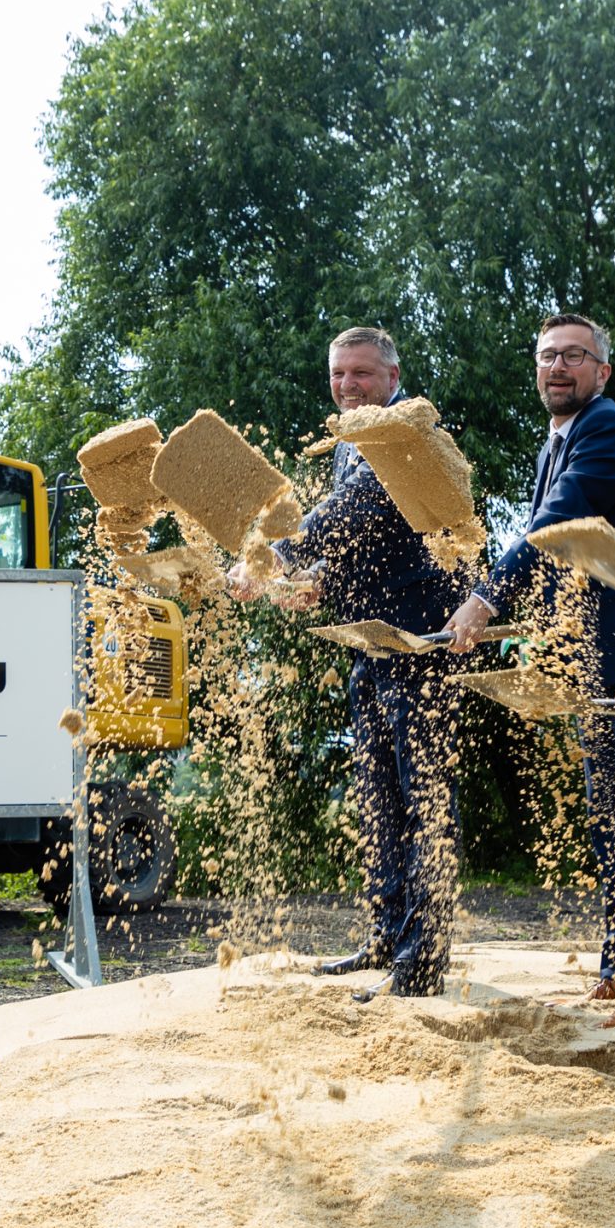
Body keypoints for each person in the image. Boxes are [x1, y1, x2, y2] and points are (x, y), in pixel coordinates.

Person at [444, 313, 615, 1028]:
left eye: (575, 357)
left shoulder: (609, 430)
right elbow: (561, 557)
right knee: (608, 817)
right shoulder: (554, 442)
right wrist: (536, 636)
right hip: (596, 644)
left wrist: (485, 598)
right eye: (547, 356)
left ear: (602, 372)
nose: (558, 367)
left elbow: (552, 527)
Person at [230, 326, 461, 997]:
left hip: (421, 636)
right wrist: (317, 582)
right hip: (369, 639)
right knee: (378, 797)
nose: (348, 385)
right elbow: (359, 539)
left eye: (361, 373)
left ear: (393, 377)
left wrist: (274, 556)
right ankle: (386, 935)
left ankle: (422, 960)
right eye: (338, 374)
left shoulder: (404, 431)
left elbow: (364, 507)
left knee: (424, 800)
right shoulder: (350, 441)